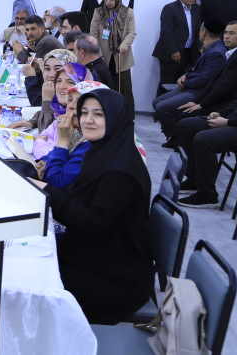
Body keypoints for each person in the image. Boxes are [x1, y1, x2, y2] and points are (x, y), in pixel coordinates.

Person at [37, 89, 153, 324]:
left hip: (114, 279)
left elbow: (90, 223)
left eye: (99, 114)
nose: (88, 120)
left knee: (35, 285)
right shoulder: (104, 150)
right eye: (84, 113)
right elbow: (77, 198)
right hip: (98, 253)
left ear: (116, 118)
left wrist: (47, 190)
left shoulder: (119, 172)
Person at [176, 76, 237, 208]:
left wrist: (228, 122)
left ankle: (207, 195)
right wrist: (221, 114)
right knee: (186, 126)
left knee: (204, 140)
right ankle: (195, 179)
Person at [166, 21, 237, 133]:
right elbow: (214, 82)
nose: (226, 36)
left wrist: (201, 104)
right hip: (214, 100)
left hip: (225, 105)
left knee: (178, 114)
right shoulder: (232, 53)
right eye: (225, 32)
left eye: (232, 33)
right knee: (177, 110)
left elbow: (224, 87)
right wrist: (198, 102)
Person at [152, 24, 225, 136]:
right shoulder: (210, 48)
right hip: (191, 86)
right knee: (156, 102)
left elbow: (204, 79)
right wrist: (186, 75)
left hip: (198, 91)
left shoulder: (216, 52)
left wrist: (186, 82)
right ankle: (173, 134)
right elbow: (198, 69)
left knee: (162, 107)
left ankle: (175, 136)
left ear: (204, 32)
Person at [90, 0, 136, 117]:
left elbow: (132, 32)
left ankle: (127, 118)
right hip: (104, 57)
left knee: (124, 89)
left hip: (122, 56)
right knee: (106, 88)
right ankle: (106, 116)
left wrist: (124, 45)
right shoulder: (99, 12)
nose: (109, 2)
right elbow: (93, 34)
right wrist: (98, 53)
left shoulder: (127, 12)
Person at [9, 48, 77, 132]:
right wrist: (32, 122)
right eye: (47, 69)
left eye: (57, 69)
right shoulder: (56, 93)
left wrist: (47, 101)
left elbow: (46, 132)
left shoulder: (73, 95)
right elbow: (52, 115)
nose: (51, 74)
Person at [152, 0, 202, 91]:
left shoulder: (197, 9)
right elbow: (166, 31)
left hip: (189, 53)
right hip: (171, 52)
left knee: (182, 84)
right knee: (167, 84)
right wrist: (173, 50)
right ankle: (161, 102)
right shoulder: (170, 8)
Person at [15, 16, 62, 106]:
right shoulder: (44, 39)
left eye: (33, 29)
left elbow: (33, 68)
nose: (29, 33)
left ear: (42, 29)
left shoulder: (45, 42)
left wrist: (19, 52)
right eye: (27, 30)